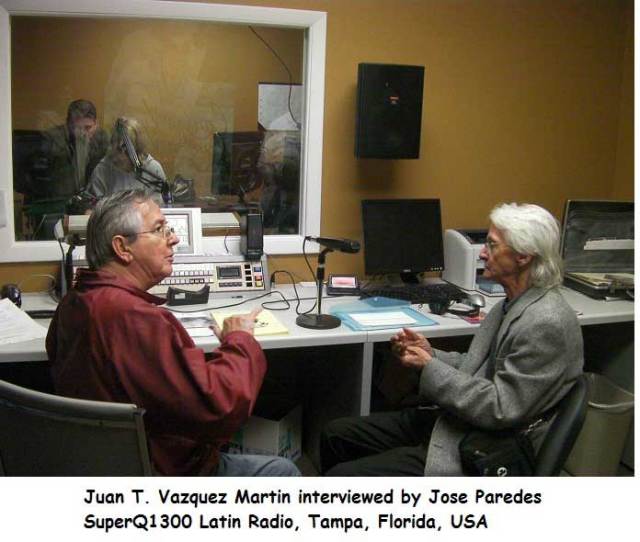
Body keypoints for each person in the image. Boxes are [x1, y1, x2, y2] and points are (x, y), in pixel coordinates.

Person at [46, 189, 299, 476]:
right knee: (283, 471)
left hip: (101, 464)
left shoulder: (72, 303)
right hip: (164, 469)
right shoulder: (135, 318)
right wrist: (239, 340)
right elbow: (219, 406)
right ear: (122, 248)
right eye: (159, 229)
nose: (174, 238)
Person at [320, 202, 584, 476]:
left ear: (523, 256)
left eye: (492, 245)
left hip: (483, 447)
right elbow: (476, 365)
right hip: (463, 422)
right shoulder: (513, 303)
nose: (483, 253)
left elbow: (499, 408)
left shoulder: (545, 322)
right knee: (336, 434)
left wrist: (429, 367)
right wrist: (431, 354)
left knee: (343, 475)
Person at [85, 117, 167, 203]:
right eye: (118, 149)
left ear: (137, 148)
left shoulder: (153, 169)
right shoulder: (102, 170)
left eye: (126, 151)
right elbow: (92, 206)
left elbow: (163, 204)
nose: (121, 156)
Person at [40, 99, 110, 199]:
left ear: (96, 124)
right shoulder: (53, 139)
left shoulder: (103, 139)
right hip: (61, 198)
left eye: (88, 128)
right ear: (68, 125)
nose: (82, 133)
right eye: (77, 128)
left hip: (93, 197)